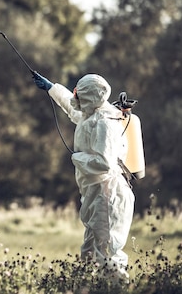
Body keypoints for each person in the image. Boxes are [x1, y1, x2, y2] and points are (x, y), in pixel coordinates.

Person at [33, 72, 135, 283]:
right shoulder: (92, 113)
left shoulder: (105, 123)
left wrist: (76, 157)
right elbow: (72, 108)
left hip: (108, 195)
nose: (75, 96)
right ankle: (88, 287)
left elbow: (104, 163)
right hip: (95, 193)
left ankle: (118, 288)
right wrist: (52, 88)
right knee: (89, 252)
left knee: (107, 253)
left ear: (88, 97)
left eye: (78, 93)